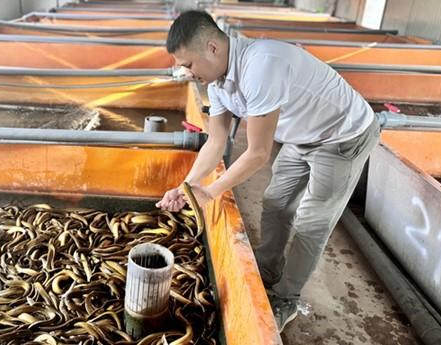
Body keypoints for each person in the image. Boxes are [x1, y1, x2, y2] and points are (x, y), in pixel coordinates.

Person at [156, 10, 380, 332]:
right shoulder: (218, 83)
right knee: (276, 203)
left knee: (311, 221)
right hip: (301, 134)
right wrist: (187, 187)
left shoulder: (261, 65)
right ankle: (268, 269)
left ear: (212, 48)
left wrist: (210, 192)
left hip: (342, 136)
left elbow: (258, 153)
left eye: (189, 64)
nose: (187, 73)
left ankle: (286, 298)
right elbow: (215, 141)